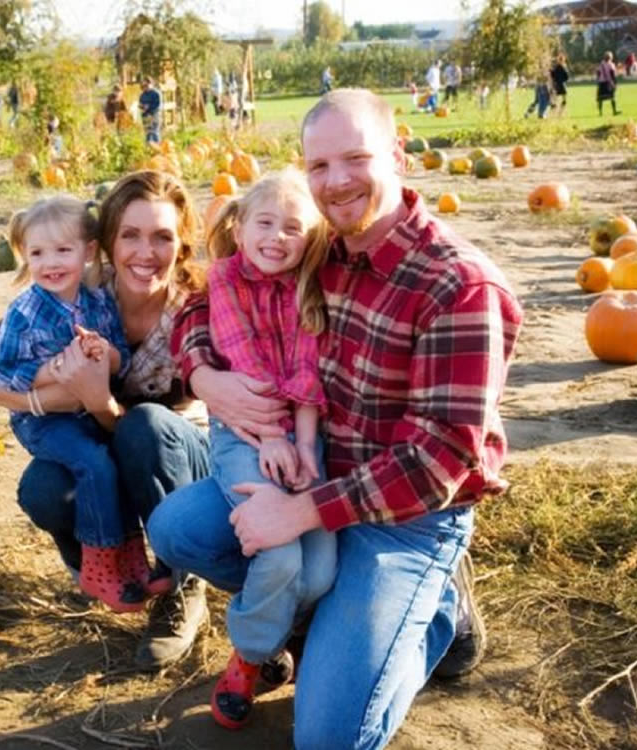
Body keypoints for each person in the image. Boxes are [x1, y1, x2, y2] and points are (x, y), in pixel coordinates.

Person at [148, 88, 523, 748]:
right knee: (177, 528)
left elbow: (440, 457)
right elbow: (198, 308)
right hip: (308, 470)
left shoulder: (457, 285)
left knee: (326, 738)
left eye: (355, 158)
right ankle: (324, 607)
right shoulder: (312, 249)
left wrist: (298, 512)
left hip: (404, 520)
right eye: (318, 166)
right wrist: (209, 376)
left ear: (398, 153)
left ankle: (435, 606)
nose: (335, 181)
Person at [0, 170, 213, 670]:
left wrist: (98, 402)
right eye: (129, 235)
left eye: (162, 237)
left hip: (182, 463)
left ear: (183, 244)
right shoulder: (81, 291)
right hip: (104, 442)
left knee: (145, 426)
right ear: (105, 244)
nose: (145, 252)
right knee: (43, 487)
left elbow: (146, 430)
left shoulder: (194, 310)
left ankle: (182, 585)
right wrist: (36, 401)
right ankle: (96, 563)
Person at [202, 170, 336, 730]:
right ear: (238, 225)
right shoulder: (226, 279)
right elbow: (246, 364)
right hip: (244, 431)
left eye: (292, 227)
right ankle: (249, 656)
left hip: (301, 435)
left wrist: (305, 448)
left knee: (320, 573)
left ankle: (279, 635)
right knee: (279, 556)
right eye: (265, 222)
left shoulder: (308, 285)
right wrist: (275, 437)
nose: (276, 237)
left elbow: (307, 370)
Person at [0, 195, 153, 612]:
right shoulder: (24, 312)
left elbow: (122, 355)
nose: (50, 263)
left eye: (63, 250)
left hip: (88, 413)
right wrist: (52, 370)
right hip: (42, 422)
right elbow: (4, 369)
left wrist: (105, 353)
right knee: (93, 464)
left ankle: (129, 553)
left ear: (89, 251)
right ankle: (98, 561)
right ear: (24, 256)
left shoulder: (98, 302)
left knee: (112, 464)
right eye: (37, 253)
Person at [139, 76, 162, 144]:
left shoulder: (156, 93)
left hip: (154, 114)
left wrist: (149, 107)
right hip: (145, 116)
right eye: (143, 86)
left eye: (146, 85)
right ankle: (148, 149)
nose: (145, 87)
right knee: (147, 134)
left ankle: (158, 148)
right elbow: (140, 104)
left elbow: (157, 105)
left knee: (154, 132)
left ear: (151, 84)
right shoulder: (142, 95)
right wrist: (142, 106)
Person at [596, 51, 620, 116]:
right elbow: (613, 75)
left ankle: (600, 113)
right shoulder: (611, 65)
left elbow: (598, 72)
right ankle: (614, 111)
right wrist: (615, 83)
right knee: (612, 97)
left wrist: (598, 80)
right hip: (608, 83)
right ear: (610, 58)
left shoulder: (601, 64)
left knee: (601, 98)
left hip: (601, 83)